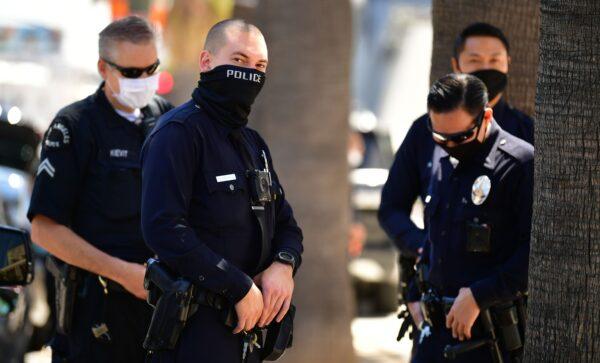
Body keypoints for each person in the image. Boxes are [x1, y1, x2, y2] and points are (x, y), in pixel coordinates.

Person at [140, 19, 303, 363]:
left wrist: (284, 265)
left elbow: (286, 224)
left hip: (248, 336)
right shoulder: (177, 134)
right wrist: (237, 285)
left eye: (260, 66)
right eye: (239, 61)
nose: (251, 74)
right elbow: (163, 228)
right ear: (206, 62)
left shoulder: (253, 143)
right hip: (194, 334)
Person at [27, 16, 172, 362]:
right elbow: (44, 230)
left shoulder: (168, 119)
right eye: (132, 73)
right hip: (96, 319)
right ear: (103, 68)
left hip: (161, 318)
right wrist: (124, 273)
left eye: (151, 69)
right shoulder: (75, 126)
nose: (143, 81)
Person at [379, 22, 534, 261]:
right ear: (456, 65)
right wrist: (425, 249)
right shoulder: (424, 131)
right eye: (474, 60)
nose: (485, 68)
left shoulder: (527, 137)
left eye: (495, 61)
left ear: (508, 64)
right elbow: (392, 206)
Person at [407, 73, 533, 362]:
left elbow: (535, 254)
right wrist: (416, 290)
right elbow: (436, 235)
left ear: (486, 116)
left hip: (488, 337)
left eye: (460, 137)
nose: (450, 145)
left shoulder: (519, 164)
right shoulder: (443, 159)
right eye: (439, 136)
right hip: (434, 330)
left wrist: (480, 295)